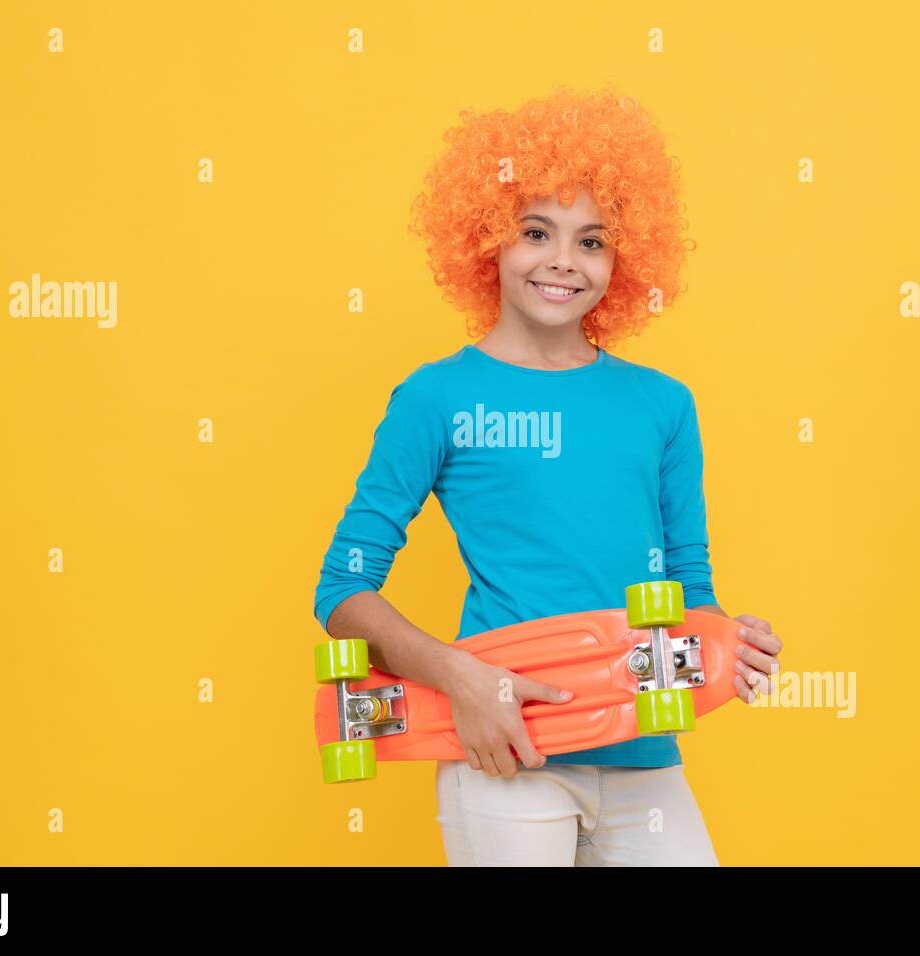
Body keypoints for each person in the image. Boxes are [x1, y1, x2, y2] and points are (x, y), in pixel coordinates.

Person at [313, 85, 783, 866]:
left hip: (644, 757)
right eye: (536, 232)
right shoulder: (436, 399)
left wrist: (730, 642)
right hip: (506, 758)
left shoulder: (663, 406)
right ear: (487, 240)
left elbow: (689, 584)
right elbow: (342, 591)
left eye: (592, 241)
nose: (563, 260)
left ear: (622, 261)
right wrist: (463, 681)